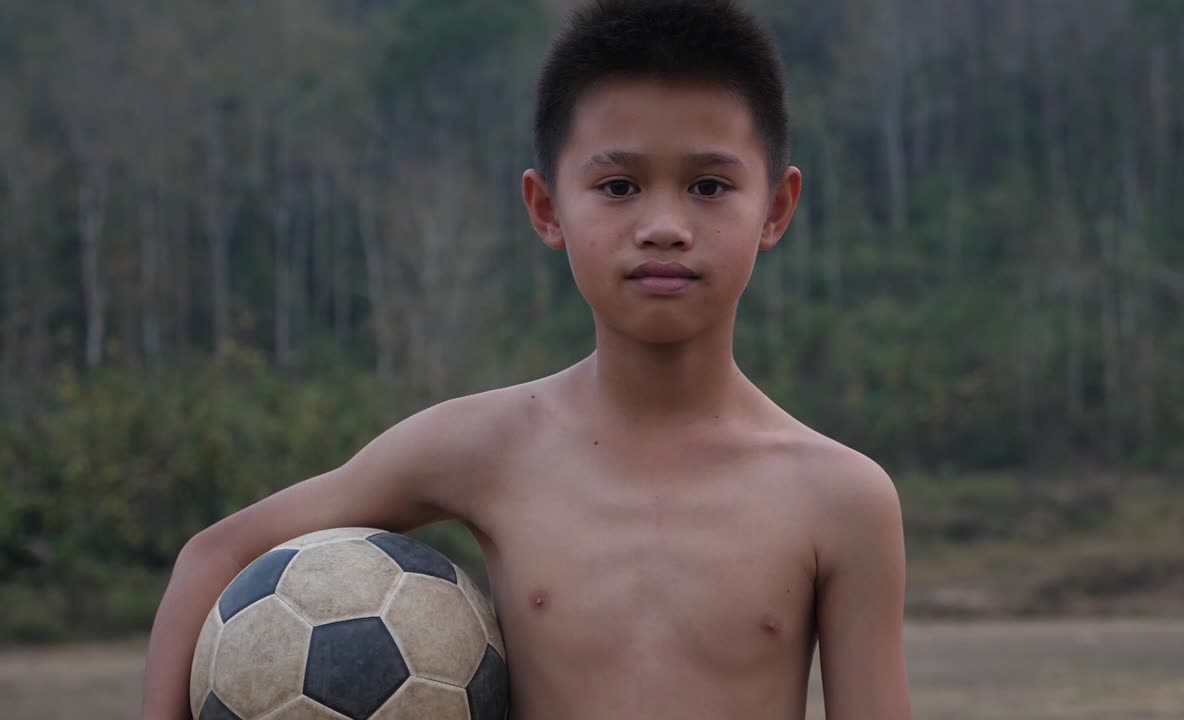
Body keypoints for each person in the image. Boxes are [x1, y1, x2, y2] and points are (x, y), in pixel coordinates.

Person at [141, 1, 911, 718]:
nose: (665, 225)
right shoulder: (488, 446)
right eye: (618, 186)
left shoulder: (839, 498)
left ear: (775, 207)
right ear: (547, 208)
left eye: (709, 185)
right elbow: (218, 552)